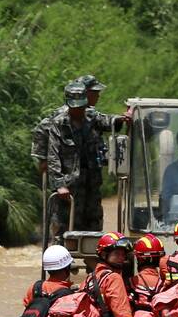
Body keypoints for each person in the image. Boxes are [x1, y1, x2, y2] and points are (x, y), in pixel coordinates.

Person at [45, 81, 122, 240]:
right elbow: (53, 156)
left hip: (91, 185)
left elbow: (110, 122)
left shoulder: (92, 117)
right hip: (69, 189)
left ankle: (93, 262)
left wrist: (123, 118)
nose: (79, 110)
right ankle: (63, 260)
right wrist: (59, 185)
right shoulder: (59, 124)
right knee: (64, 228)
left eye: (81, 106)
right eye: (75, 107)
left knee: (94, 226)